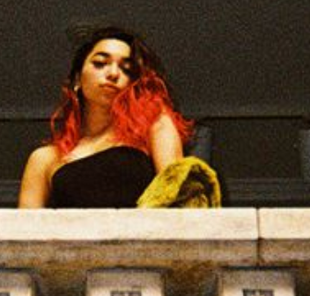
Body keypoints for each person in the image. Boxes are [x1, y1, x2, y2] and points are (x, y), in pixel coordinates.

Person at [17, 26, 192, 209]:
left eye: (126, 69)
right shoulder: (45, 159)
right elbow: (24, 225)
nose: (113, 73)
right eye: (100, 63)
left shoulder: (154, 125)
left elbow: (180, 205)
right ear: (77, 79)